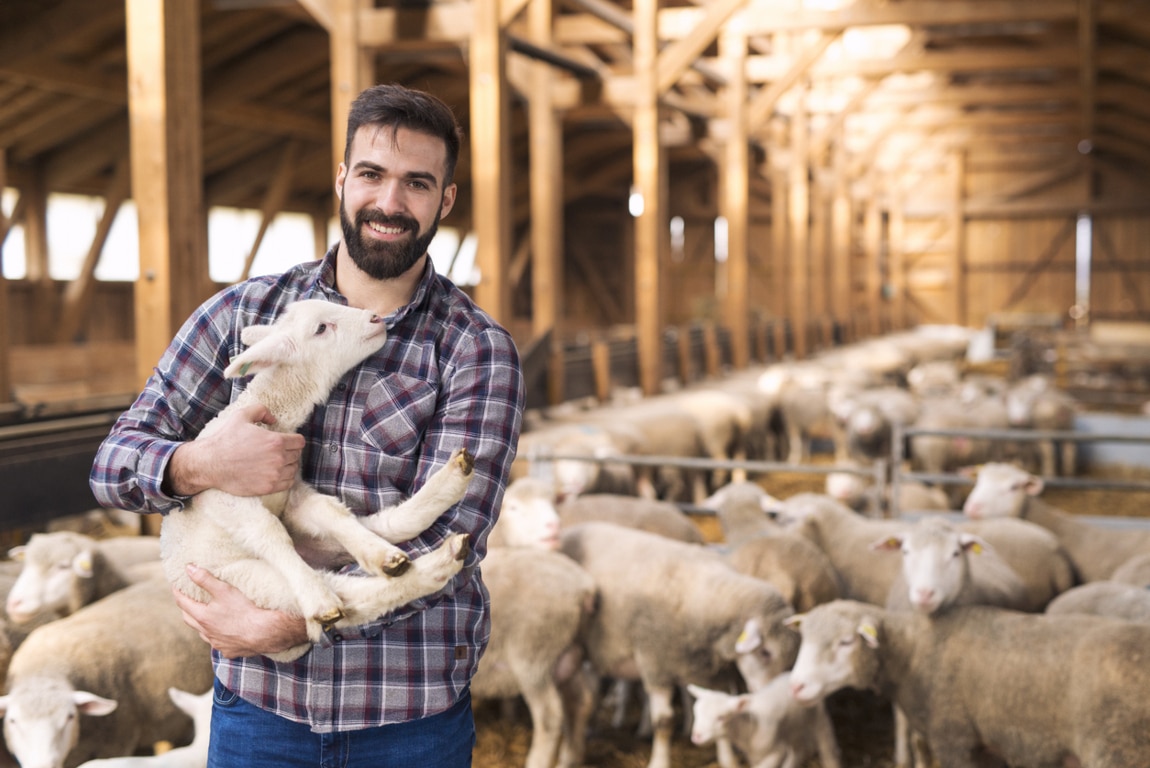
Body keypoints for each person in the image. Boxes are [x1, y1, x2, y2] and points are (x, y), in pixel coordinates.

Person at [89, 83, 525, 768]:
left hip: (406, 719)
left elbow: (451, 537)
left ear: (445, 200)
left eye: (417, 183)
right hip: (261, 714)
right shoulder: (241, 315)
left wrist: (291, 621)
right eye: (373, 175)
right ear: (343, 179)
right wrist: (203, 465)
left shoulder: (476, 350)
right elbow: (114, 464)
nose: (389, 202)